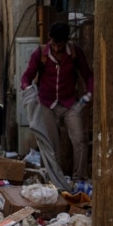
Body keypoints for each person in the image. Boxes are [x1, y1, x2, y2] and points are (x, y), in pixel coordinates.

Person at [21, 22, 93, 188]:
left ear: (66, 41)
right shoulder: (40, 53)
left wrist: (88, 94)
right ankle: (55, 181)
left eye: (60, 45)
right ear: (49, 39)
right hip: (46, 103)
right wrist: (27, 89)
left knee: (80, 139)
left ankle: (79, 179)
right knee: (51, 144)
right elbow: (27, 77)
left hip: (70, 103)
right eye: (54, 44)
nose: (57, 49)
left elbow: (88, 75)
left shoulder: (75, 53)